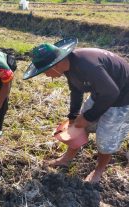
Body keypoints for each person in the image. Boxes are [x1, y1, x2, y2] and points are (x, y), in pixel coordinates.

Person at [24, 37, 129, 183]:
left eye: (45, 71)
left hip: (123, 99)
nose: (46, 75)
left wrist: (88, 116)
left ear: (57, 63)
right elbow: (76, 90)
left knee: (106, 138)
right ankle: (67, 158)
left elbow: (111, 93)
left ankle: (98, 171)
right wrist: (74, 116)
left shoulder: (88, 66)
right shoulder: (68, 66)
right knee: (78, 125)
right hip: (102, 91)